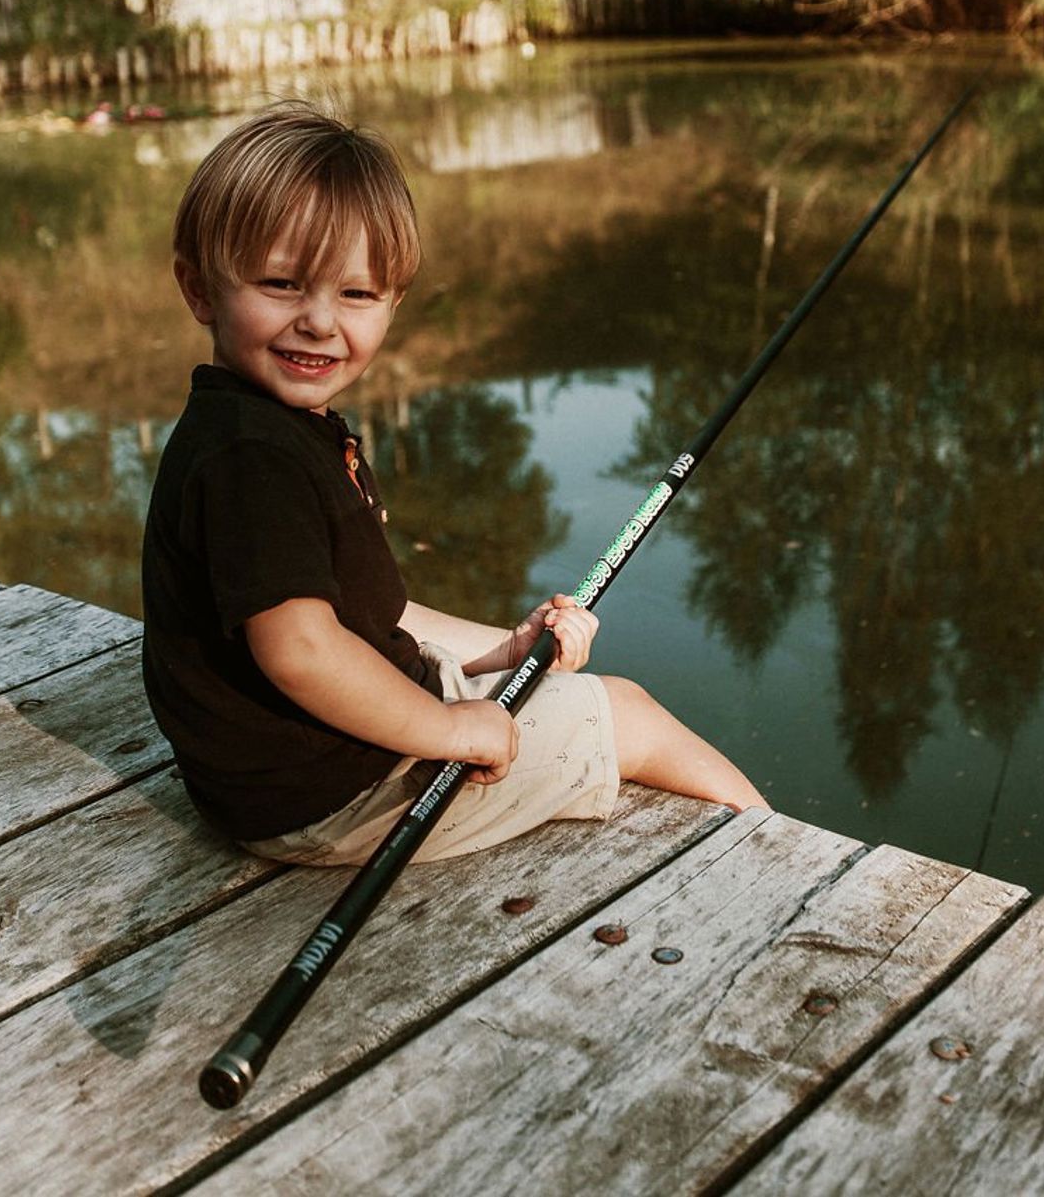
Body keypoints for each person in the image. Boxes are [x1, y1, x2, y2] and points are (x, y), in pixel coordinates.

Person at [141, 101, 767, 868]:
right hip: (335, 795)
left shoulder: (264, 426)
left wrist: (503, 651)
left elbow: (369, 616)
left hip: (291, 773)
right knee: (629, 715)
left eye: (357, 294)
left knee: (568, 694)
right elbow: (303, 650)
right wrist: (451, 728)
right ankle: (796, 864)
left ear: (393, 301)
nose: (319, 320)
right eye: (281, 284)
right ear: (200, 288)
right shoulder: (250, 458)